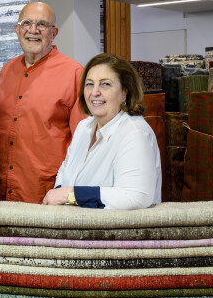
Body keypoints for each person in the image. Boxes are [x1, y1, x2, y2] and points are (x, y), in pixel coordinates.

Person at [0, 1, 84, 204]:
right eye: (26, 23)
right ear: (17, 30)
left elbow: (82, 143)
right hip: (2, 190)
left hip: (46, 193)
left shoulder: (74, 73)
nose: (33, 30)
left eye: (42, 24)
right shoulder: (7, 70)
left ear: (54, 32)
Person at [42, 53, 161, 209]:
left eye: (105, 84)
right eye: (89, 84)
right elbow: (64, 173)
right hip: (77, 227)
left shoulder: (135, 133)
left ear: (125, 92)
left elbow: (135, 196)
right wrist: (59, 196)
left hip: (118, 232)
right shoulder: (84, 127)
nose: (95, 92)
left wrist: (70, 195)